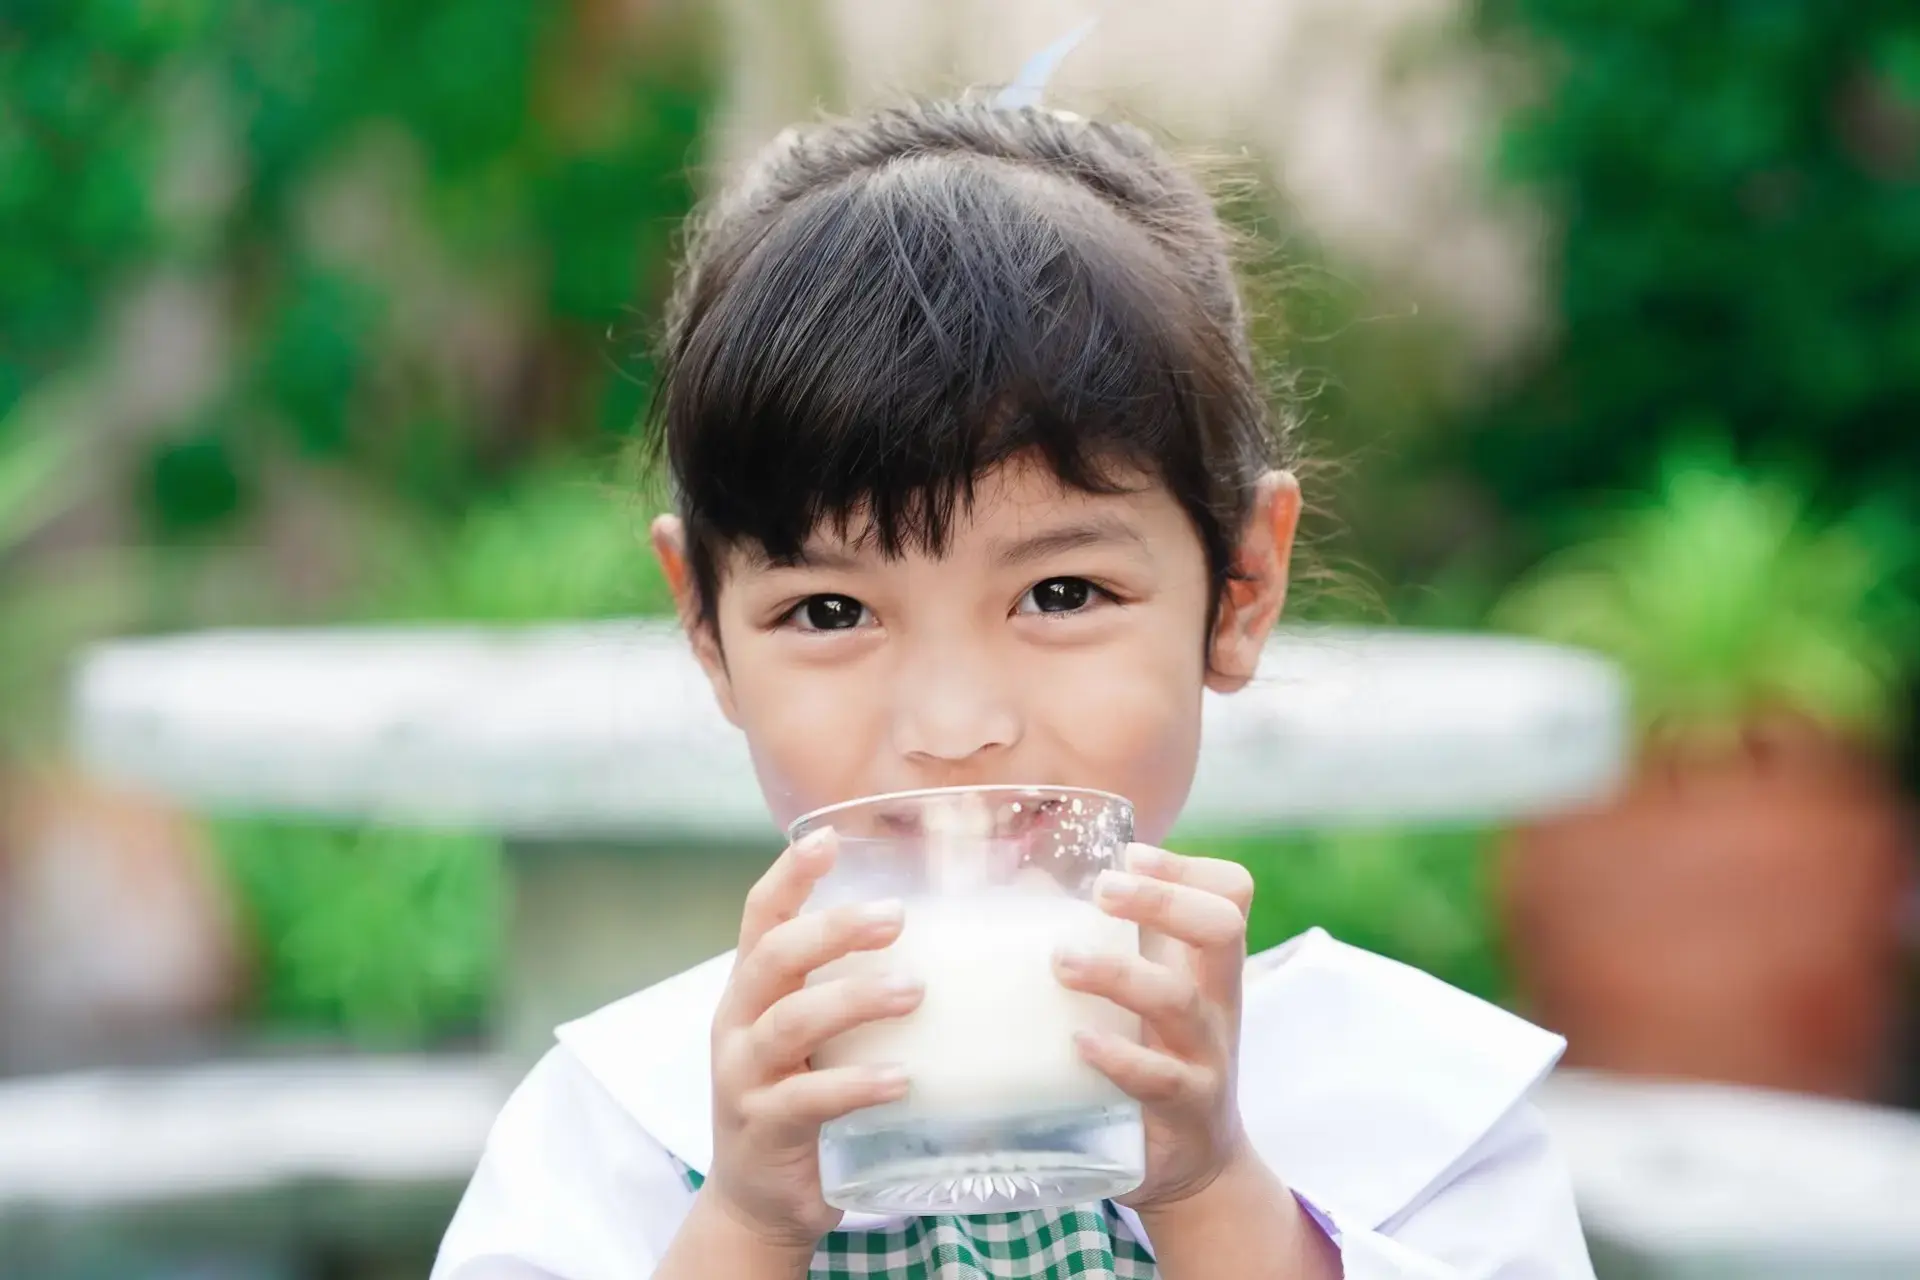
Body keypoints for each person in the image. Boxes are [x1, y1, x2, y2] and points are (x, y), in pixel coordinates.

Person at [432, 95, 1597, 1279]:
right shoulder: (623, 1133)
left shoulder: (1407, 1108)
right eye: (829, 611)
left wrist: (1210, 1190)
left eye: (1061, 594)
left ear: (1241, 584)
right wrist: (744, 1225)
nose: (952, 727)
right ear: (705, 624)